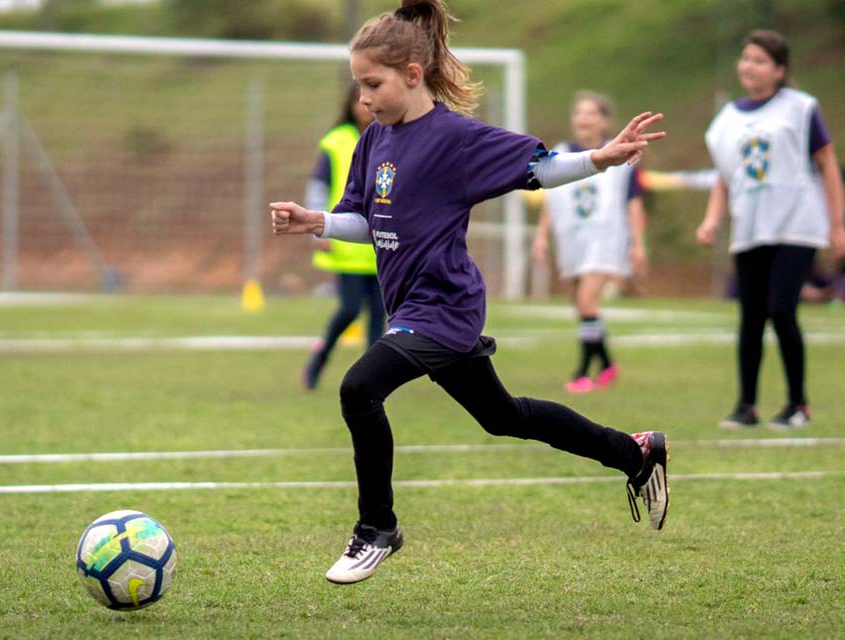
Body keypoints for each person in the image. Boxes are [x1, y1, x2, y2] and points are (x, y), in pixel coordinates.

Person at [270, 0, 669, 585]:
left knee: (359, 388)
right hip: (412, 307)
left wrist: (601, 160)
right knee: (503, 416)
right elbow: (364, 221)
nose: (364, 98)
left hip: (445, 305)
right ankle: (635, 454)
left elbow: (541, 169)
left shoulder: (455, 139)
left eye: (372, 84)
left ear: (412, 73)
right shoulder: (373, 141)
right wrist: (317, 220)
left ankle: (376, 528)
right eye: (359, 85)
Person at [696, 30, 845, 430]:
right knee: (750, 317)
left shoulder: (801, 108)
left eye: (760, 60)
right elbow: (725, 178)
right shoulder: (726, 120)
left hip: (797, 224)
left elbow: (827, 165)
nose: (749, 66)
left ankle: (798, 405)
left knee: (782, 310)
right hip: (750, 227)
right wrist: (712, 219)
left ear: (779, 70)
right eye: (746, 58)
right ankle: (747, 406)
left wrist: (838, 224)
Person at [531, 91, 648, 393]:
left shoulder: (619, 154)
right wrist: (541, 237)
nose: (583, 119)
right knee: (582, 306)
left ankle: (582, 373)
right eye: (579, 112)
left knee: (587, 302)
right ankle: (608, 364)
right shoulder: (560, 153)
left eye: (591, 113)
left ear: (604, 121)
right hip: (571, 240)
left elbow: (633, 203)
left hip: (605, 239)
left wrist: (638, 244)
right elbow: (551, 199)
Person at [303, 84, 386, 390]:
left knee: (378, 319)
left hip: (380, 248)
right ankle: (318, 359)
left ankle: (371, 382)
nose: (365, 105)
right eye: (359, 100)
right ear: (351, 104)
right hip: (345, 245)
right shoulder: (336, 142)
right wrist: (317, 226)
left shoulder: (392, 137)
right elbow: (318, 187)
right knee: (350, 309)